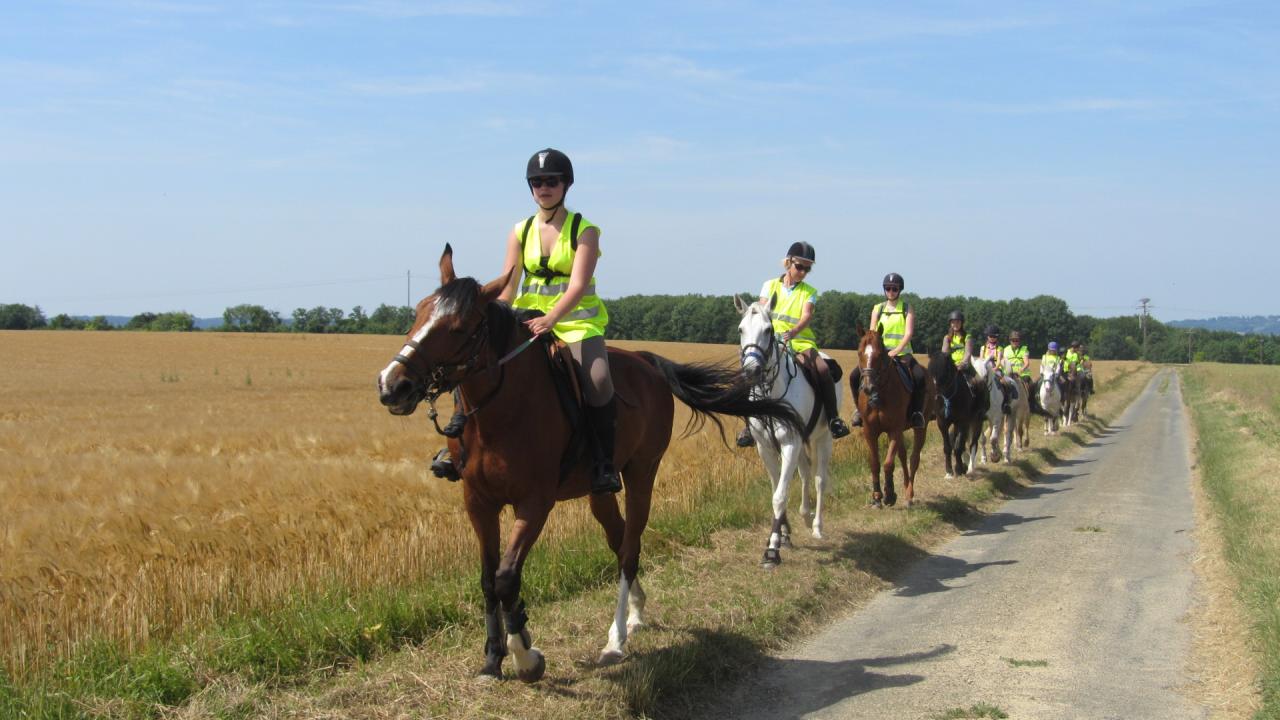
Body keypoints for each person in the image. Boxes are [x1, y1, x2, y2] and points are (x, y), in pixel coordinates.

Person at [432, 148, 622, 495]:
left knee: (598, 380)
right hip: (527, 320)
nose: (544, 188)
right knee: (472, 360)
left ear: (566, 184)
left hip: (577, 324)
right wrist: (498, 314)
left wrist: (552, 318)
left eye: (552, 181)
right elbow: (509, 284)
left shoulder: (585, 230)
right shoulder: (520, 231)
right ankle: (457, 442)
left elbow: (578, 285)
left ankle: (603, 463)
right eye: (537, 182)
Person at [736, 242, 850, 447]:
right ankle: (748, 426)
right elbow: (762, 313)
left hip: (800, 340)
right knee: (748, 372)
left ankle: (833, 419)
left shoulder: (809, 291)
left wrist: (793, 332)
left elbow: (806, 315)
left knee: (823, 369)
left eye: (808, 268)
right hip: (771, 340)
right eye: (800, 266)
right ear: (788, 262)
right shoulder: (769, 285)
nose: (803, 272)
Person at [849, 272, 927, 429]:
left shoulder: (906, 308)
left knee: (919, 376)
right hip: (880, 354)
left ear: (900, 290)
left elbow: (909, 333)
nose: (891, 291)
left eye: (894, 289)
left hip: (902, 353)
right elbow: (872, 332)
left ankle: (917, 413)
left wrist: (897, 350)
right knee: (854, 375)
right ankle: (859, 411)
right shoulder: (878, 308)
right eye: (888, 288)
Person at [979, 325, 1019, 413]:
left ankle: (1006, 403)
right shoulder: (983, 348)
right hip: (985, 369)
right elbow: (981, 360)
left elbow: (999, 361)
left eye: (994, 336)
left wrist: (995, 369)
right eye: (991, 336)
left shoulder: (1000, 348)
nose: (992, 338)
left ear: (997, 337)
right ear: (987, 336)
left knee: (1005, 382)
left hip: (995, 369)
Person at [942, 310, 974, 375]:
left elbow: (968, 353)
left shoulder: (967, 337)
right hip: (951, 365)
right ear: (950, 324)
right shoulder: (947, 338)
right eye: (953, 322)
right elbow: (944, 353)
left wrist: (962, 364)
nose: (955, 324)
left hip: (964, 365)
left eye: (958, 322)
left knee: (979, 381)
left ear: (961, 323)